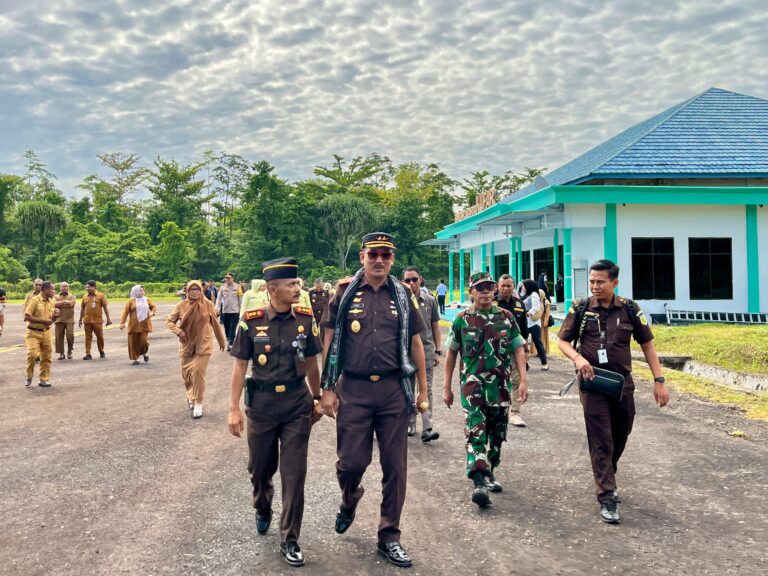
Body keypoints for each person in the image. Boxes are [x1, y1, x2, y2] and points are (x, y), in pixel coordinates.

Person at [320, 232, 428, 569]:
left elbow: (416, 343)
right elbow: (329, 339)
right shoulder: (343, 294)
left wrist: (423, 389)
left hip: (394, 391)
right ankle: (349, 498)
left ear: (392, 259)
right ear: (362, 258)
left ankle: (389, 536)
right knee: (352, 462)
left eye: (385, 255)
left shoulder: (402, 295)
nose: (379, 260)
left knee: (395, 466)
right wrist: (327, 386)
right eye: (373, 254)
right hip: (354, 389)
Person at [227, 258, 323, 568]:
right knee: (260, 468)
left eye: (297, 283)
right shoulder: (250, 322)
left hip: (297, 404)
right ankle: (262, 506)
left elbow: (311, 363)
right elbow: (240, 366)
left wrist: (318, 397)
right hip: (263, 407)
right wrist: (233, 409)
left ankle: (290, 537)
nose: (298, 289)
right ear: (272, 289)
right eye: (291, 285)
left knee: (295, 474)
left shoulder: (306, 321)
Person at [558, 259, 669, 525]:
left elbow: (647, 346)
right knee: (601, 439)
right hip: (592, 382)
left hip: (622, 384)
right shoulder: (580, 308)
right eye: (592, 281)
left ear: (614, 282)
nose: (594, 286)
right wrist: (578, 359)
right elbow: (562, 340)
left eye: (600, 281)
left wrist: (659, 380)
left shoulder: (630, 309)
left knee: (621, 433)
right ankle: (607, 496)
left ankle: (607, 470)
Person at [443, 272, 528, 507]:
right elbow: (451, 354)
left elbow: (518, 348)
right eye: (480, 288)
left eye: (489, 288)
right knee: (475, 431)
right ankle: (479, 479)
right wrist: (446, 387)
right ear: (471, 292)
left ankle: (491, 468)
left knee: (497, 434)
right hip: (472, 388)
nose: (485, 292)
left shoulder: (506, 317)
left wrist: (523, 380)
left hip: (499, 387)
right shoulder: (461, 320)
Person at [166, 280, 226, 418]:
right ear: (187, 291)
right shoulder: (181, 305)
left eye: (197, 289)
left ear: (201, 291)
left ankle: (198, 403)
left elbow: (215, 324)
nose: (195, 292)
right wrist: (178, 331)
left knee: (198, 372)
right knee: (187, 375)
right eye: (192, 290)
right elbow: (169, 322)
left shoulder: (208, 304)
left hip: (203, 345)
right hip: (186, 345)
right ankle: (191, 396)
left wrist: (221, 341)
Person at [403, 266, 441, 442]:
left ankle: (427, 426)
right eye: (408, 280)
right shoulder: (400, 300)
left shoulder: (430, 300)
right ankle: (410, 423)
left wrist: (437, 351)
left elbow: (435, 326)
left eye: (414, 280)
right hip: (405, 353)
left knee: (427, 389)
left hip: (426, 350)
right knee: (408, 388)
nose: (411, 283)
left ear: (421, 280)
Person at [495, 274, 529, 427]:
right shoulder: (493, 304)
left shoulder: (519, 304)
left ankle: (515, 413)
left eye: (509, 285)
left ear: (513, 286)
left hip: (516, 348)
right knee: (497, 380)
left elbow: (524, 329)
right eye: (503, 285)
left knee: (517, 379)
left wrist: (526, 349)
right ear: (497, 286)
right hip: (496, 349)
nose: (505, 288)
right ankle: (497, 409)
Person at [24, 280, 58, 387]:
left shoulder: (51, 302)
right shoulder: (34, 300)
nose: (54, 291)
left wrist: (55, 316)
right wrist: (43, 321)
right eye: (52, 289)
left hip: (46, 333)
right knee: (33, 355)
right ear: (45, 290)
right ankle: (29, 376)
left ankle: (43, 379)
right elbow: (27, 317)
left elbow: (51, 320)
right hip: (33, 333)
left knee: (47, 357)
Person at [119, 285, 157, 365]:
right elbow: (125, 312)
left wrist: (152, 312)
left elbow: (153, 307)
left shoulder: (147, 300)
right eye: (140, 290)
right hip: (133, 325)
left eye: (143, 290)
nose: (142, 292)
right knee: (133, 342)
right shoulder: (131, 301)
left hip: (144, 324)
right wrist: (122, 323)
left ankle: (144, 352)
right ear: (135, 291)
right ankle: (135, 359)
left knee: (144, 342)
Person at [78, 280, 112, 360]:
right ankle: (88, 354)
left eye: (89, 287)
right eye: (86, 287)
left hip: (97, 321)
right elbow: (82, 309)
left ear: (94, 287)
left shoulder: (101, 296)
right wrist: (80, 319)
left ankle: (101, 351)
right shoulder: (84, 296)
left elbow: (105, 308)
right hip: (87, 321)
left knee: (100, 337)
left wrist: (108, 319)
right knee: (88, 338)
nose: (87, 289)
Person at [520, 279, 548, 371]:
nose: (522, 287)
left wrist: (528, 313)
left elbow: (536, 307)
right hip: (525, 322)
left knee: (537, 342)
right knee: (523, 343)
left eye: (523, 285)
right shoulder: (524, 295)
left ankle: (544, 363)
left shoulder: (534, 294)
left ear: (528, 286)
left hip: (533, 323)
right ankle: (525, 362)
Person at [216, 272, 242, 351]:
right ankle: (229, 339)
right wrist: (217, 308)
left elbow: (240, 299)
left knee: (232, 327)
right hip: (225, 311)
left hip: (235, 311)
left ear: (233, 278)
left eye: (229, 278)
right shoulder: (222, 287)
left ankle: (230, 343)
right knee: (226, 327)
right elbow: (219, 299)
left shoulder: (238, 287)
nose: (227, 279)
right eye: (226, 278)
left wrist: (241, 310)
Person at [54, 281, 77, 360]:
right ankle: (61, 353)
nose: (65, 288)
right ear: (60, 288)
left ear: (68, 287)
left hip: (69, 319)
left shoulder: (72, 296)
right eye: (63, 286)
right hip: (58, 319)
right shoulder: (55, 296)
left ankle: (70, 351)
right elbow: (54, 304)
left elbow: (71, 304)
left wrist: (60, 304)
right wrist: (64, 302)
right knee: (59, 337)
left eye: (66, 286)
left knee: (70, 335)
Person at [308, 278, 329, 344]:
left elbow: (328, 303)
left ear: (322, 285)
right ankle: (314, 345)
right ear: (315, 285)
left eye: (320, 286)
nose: (319, 288)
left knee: (323, 330)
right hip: (314, 314)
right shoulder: (311, 293)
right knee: (314, 330)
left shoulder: (326, 293)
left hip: (323, 314)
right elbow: (309, 303)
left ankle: (322, 345)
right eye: (317, 286)